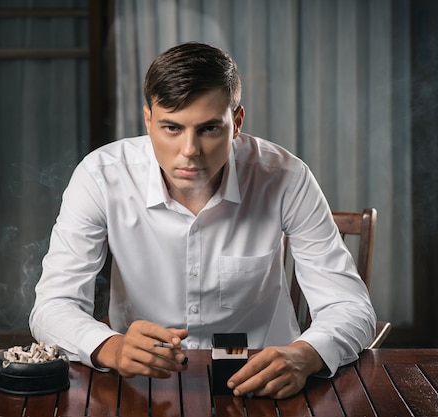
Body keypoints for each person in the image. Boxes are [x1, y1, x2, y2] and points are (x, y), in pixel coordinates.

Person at [30, 41, 376, 399]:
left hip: (265, 389)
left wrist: (306, 355)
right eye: (172, 128)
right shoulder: (101, 176)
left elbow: (350, 307)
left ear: (236, 122)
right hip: (139, 388)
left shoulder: (285, 176)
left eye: (209, 129)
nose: (190, 151)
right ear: (148, 120)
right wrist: (110, 347)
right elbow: (54, 305)